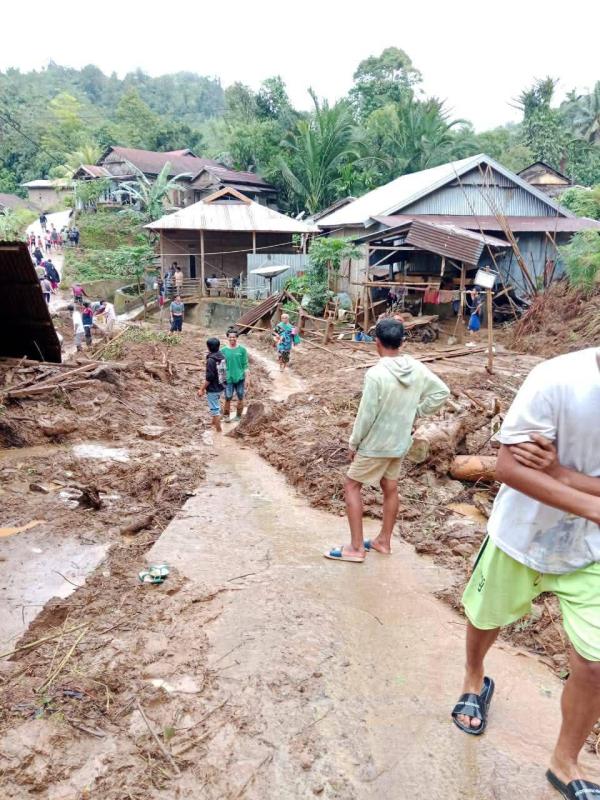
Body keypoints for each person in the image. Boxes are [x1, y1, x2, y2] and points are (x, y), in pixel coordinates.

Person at [451, 347, 600, 798]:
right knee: (485, 617)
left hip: (588, 549)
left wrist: (560, 473)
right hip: (520, 534)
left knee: (595, 664)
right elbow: (508, 466)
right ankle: (474, 678)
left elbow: (543, 470)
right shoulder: (556, 379)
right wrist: (593, 505)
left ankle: (565, 761)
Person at [325, 318, 450, 563]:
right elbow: (441, 392)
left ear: (377, 342)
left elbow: (366, 415)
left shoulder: (376, 374)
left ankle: (356, 548)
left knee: (351, 486)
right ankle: (383, 541)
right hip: (399, 443)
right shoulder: (416, 367)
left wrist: (354, 443)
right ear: (402, 342)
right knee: (390, 487)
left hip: (376, 444)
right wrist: (416, 412)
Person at [197, 337, 226, 433]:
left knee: (215, 410)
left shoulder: (211, 360)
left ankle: (219, 431)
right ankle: (213, 424)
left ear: (208, 347)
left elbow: (209, 378)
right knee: (216, 405)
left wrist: (201, 389)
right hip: (221, 386)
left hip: (213, 388)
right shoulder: (222, 356)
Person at [221, 330, 249, 422]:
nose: (232, 338)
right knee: (228, 397)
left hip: (240, 377)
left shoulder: (242, 350)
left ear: (237, 338)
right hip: (228, 378)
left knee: (240, 396)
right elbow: (221, 366)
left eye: (234, 337)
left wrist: (247, 379)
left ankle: (238, 416)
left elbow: (245, 365)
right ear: (227, 338)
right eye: (230, 337)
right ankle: (226, 416)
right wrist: (221, 379)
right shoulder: (223, 351)